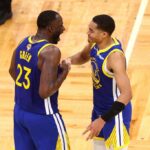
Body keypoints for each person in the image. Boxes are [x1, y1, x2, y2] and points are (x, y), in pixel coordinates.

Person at [64, 14, 132, 150]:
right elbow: (83, 56)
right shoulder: (95, 44)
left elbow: (127, 94)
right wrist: (67, 61)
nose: (87, 33)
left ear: (104, 34)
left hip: (114, 116)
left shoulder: (115, 57)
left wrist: (103, 120)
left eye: (91, 30)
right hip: (98, 110)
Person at [9, 10, 70, 150]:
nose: (63, 29)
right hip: (43, 116)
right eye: (60, 25)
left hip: (20, 113)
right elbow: (45, 92)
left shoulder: (24, 42)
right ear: (51, 29)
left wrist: (30, 87)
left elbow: (12, 70)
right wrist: (64, 72)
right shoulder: (51, 51)